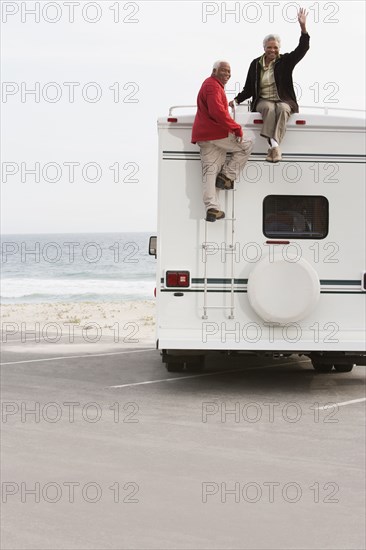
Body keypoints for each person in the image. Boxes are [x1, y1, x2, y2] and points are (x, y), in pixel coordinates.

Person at [229, 8, 309, 163]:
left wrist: (303, 28)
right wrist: (237, 100)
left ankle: (273, 146)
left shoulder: (285, 61)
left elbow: (302, 49)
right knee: (269, 108)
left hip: (283, 99)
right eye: (269, 47)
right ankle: (275, 146)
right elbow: (249, 89)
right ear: (264, 47)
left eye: (275, 47)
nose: (272, 50)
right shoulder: (255, 64)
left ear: (279, 48)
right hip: (263, 100)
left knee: (283, 109)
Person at [192, 61, 253, 222]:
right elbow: (217, 111)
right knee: (246, 144)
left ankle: (212, 208)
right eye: (224, 70)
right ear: (214, 71)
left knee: (210, 172)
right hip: (215, 133)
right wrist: (236, 128)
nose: (227, 74)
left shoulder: (211, 85)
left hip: (204, 137)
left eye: (229, 71)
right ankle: (227, 176)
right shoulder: (212, 86)